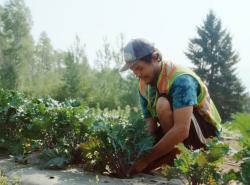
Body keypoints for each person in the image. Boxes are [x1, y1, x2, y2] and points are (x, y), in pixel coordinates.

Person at [120, 38, 222, 175]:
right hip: (176, 132)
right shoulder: (143, 84)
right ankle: (172, 154)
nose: (137, 74)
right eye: (133, 70)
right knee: (136, 161)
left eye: (140, 68)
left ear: (155, 58)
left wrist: (145, 160)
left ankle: (176, 155)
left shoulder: (181, 79)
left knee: (162, 104)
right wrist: (138, 152)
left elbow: (181, 130)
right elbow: (149, 127)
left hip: (204, 135)